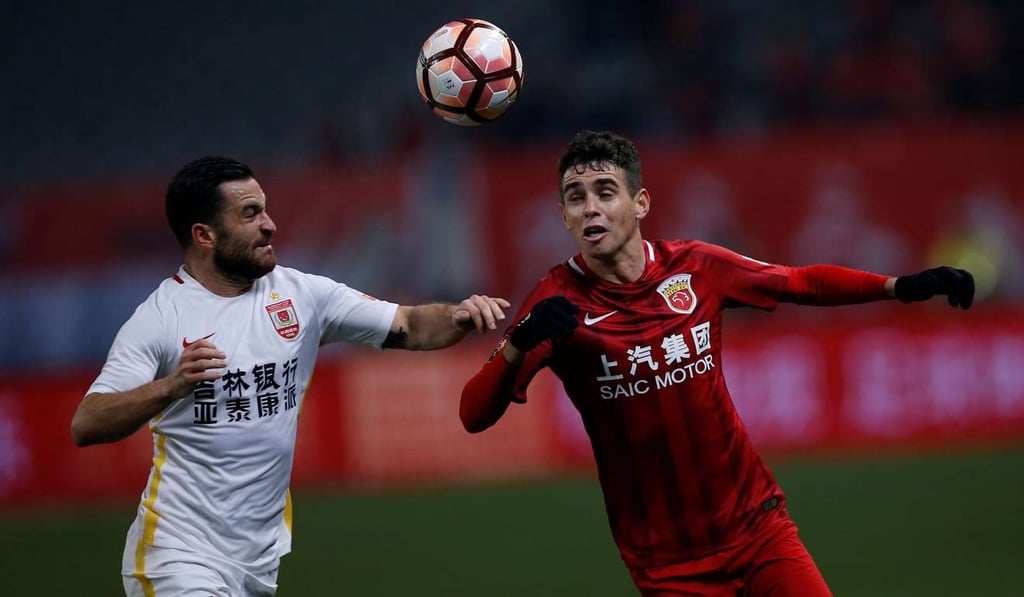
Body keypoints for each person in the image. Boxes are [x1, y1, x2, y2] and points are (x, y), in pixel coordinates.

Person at [460, 130, 974, 596]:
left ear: (639, 204)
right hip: (669, 567)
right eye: (576, 199)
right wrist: (518, 344)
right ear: (564, 216)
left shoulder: (698, 267)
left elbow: (799, 282)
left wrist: (899, 287)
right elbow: (473, 414)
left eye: (604, 192)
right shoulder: (555, 304)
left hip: (758, 530)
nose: (590, 208)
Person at [71, 156, 509, 597]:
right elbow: (87, 422)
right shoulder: (160, 318)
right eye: (249, 214)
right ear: (203, 235)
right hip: (178, 556)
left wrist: (459, 314)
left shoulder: (302, 295)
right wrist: (170, 386)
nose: (270, 225)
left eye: (264, 209)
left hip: (259, 562)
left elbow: (411, 325)